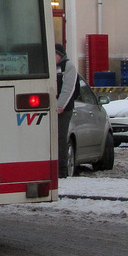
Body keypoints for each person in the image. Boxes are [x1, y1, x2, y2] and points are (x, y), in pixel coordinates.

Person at [55, 44, 80, 178]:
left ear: (60, 55)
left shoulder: (68, 66)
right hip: (52, 108)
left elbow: (68, 88)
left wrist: (60, 105)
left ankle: (62, 170)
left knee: (60, 138)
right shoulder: (53, 66)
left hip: (64, 109)